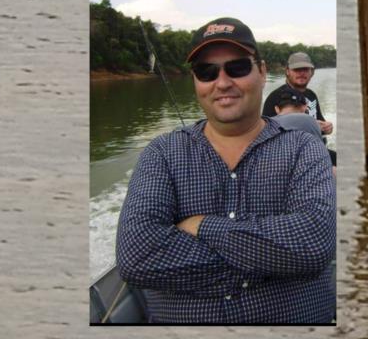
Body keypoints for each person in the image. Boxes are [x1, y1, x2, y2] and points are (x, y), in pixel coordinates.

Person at [116, 17, 335, 325]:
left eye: (237, 68)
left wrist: (203, 226)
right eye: (206, 72)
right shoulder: (162, 154)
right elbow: (137, 257)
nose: (222, 82)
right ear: (195, 81)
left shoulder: (303, 148)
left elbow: (313, 244)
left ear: (261, 71)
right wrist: (275, 262)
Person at [261, 51, 334, 137]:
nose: (302, 73)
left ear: (312, 72)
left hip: (316, 146)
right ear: (287, 71)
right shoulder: (275, 97)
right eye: (297, 69)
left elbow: (320, 122)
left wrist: (327, 128)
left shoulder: (312, 95)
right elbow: (266, 133)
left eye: (306, 69)